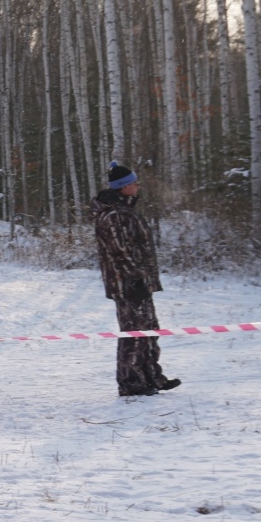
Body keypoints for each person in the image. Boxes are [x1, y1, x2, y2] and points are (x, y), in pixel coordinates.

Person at [92, 163, 179, 397]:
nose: (137, 185)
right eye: (133, 182)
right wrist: (136, 277)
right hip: (128, 284)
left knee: (149, 330)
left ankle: (151, 377)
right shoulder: (113, 216)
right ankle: (132, 383)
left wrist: (145, 278)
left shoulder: (126, 211)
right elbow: (120, 252)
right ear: (122, 187)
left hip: (140, 282)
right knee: (133, 334)